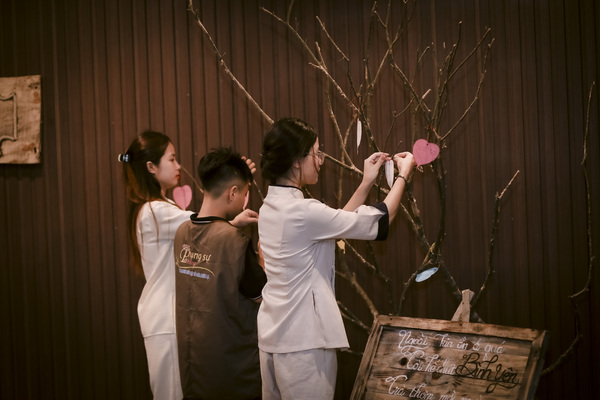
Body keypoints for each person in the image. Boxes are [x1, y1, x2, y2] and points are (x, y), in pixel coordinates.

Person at [257, 117, 416, 399]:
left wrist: (366, 182)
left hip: (274, 335)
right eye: (316, 153)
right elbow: (381, 220)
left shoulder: (271, 205)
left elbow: (334, 224)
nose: (320, 161)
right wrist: (403, 175)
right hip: (303, 343)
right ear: (297, 160)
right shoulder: (302, 211)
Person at [119, 131, 258, 400]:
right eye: (171, 159)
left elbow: (205, 227)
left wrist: (231, 180)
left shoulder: (160, 207)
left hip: (171, 316)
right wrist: (231, 181)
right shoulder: (155, 211)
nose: (178, 166)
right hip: (166, 317)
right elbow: (203, 223)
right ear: (151, 167)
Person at [173, 147, 267, 400]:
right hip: (231, 368)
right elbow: (262, 294)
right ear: (233, 192)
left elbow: (210, 239)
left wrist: (232, 225)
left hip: (193, 364)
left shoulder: (182, 233)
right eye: (244, 193)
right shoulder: (234, 240)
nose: (244, 199)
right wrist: (262, 258)